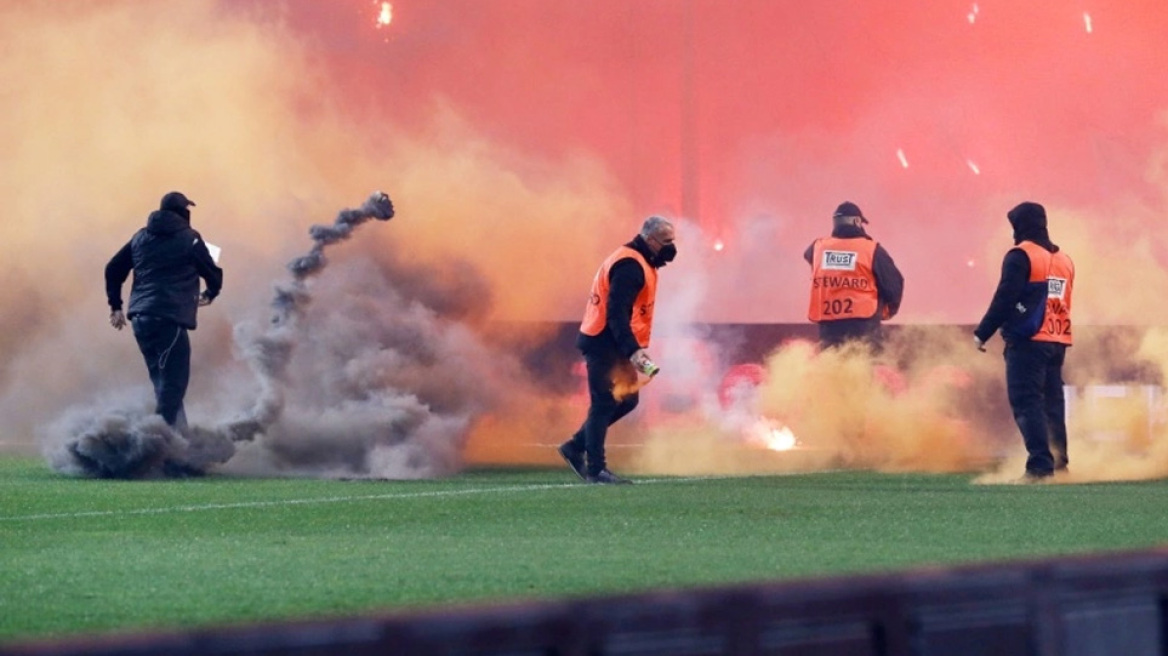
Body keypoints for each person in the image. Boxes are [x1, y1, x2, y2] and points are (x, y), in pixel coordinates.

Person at [559, 216, 677, 484]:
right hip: (603, 341)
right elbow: (616, 314)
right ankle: (596, 469)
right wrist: (633, 351)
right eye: (667, 241)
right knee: (603, 403)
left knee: (628, 400)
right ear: (650, 240)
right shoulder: (629, 266)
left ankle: (575, 447)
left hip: (615, 341)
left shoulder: (641, 262)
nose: (672, 248)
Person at [105, 191, 223, 431]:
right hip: (169, 318)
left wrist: (115, 306)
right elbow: (213, 271)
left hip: (140, 319)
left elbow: (113, 268)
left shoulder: (140, 237)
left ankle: (181, 445)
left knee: (164, 383)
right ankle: (155, 445)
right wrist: (210, 293)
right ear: (183, 212)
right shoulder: (191, 239)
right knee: (174, 384)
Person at [974, 201, 1074, 482]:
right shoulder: (1065, 260)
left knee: (1027, 401)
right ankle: (1059, 465)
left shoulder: (1020, 255)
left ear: (1020, 226)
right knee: (1052, 403)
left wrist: (983, 332)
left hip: (1029, 340)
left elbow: (1005, 298)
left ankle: (1040, 467)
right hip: (1058, 339)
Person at [804, 202, 904, 350]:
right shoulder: (872, 250)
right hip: (864, 329)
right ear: (857, 222)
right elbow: (894, 286)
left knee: (832, 369)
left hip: (829, 331)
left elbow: (807, 255)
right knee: (865, 368)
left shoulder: (817, 248)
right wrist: (885, 312)